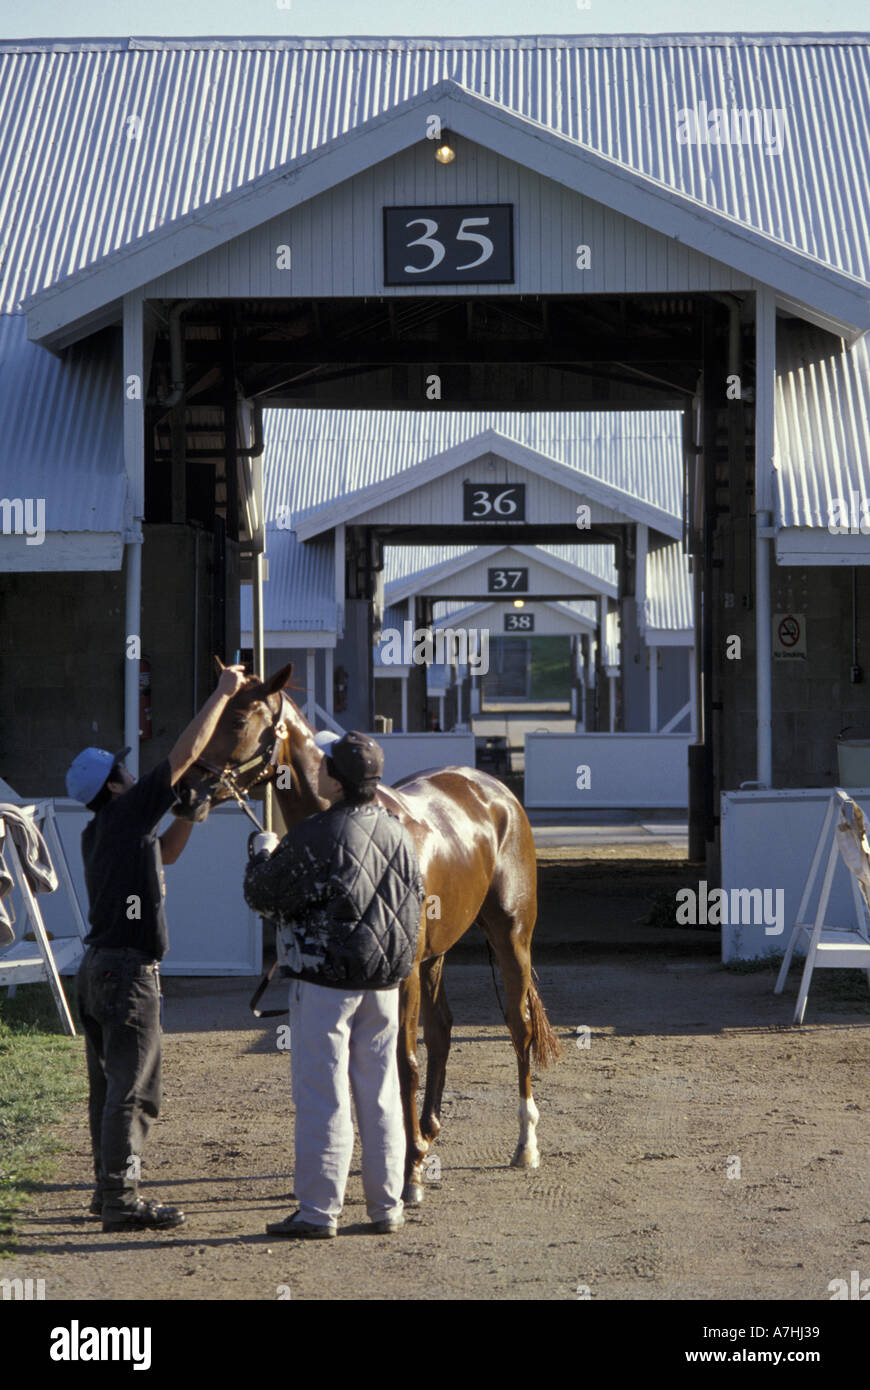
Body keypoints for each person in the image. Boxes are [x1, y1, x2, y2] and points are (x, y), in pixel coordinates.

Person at [65, 663, 247, 1232]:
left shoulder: (104, 829)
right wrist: (222, 693)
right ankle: (121, 1203)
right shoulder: (124, 812)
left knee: (109, 1087)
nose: (129, 768)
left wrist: (193, 811)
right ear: (115, 785)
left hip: (98, 970)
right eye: (123, 767)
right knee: (135, 1091)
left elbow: (165, 853)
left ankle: (105, 1192)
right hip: (127, 975)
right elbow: (182, 754)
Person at [243, 730, 425, 1238]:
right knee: (381, 1093)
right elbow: (414, 903)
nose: (315, 769)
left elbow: (263, 897)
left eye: (325, 765)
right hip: (385, 983)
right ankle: (386, 1207)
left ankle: (319, 1212)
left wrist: (262, 853)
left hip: (325, 983)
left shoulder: (316, 833)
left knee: (324, 1094)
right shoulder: (398, 830)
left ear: (338, 780)